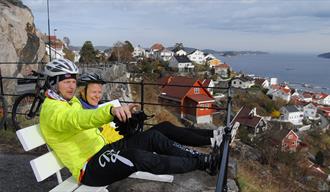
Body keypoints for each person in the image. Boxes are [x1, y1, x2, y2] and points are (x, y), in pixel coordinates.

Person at [40, 59, 222, 187]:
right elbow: (77, 120)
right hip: (89, 168)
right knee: (137, 157)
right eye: (66, 82)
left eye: (73, 81)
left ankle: (202, 158)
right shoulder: (52, 111)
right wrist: (110, 111)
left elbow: (85, 116)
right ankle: (203, 163)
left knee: (152, 137)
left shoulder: (69, 102)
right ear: (54, 83)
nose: (72, 86)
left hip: (105, 148)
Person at [77, 72, 224, 148]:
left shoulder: (100, 106)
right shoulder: (83, 114)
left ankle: (213, 135)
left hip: (127, 139)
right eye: (93, 92)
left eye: (99, 92)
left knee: (165, 126)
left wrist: (131, 118)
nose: (97, 96)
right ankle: (212, 141)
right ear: (83, 92)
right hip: (119, 146)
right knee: (159, 135)